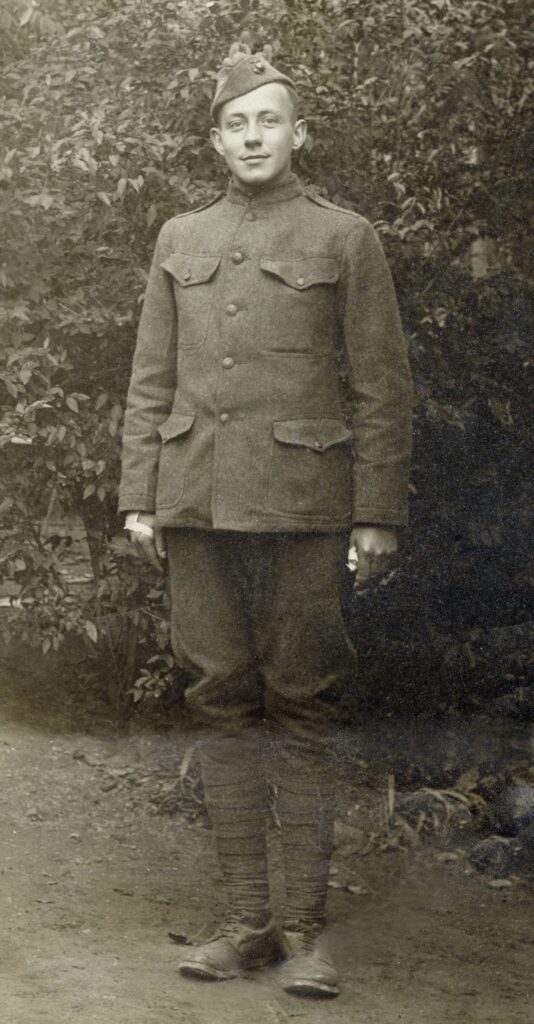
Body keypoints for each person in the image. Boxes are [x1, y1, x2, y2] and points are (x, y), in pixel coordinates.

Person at [118, 45, 413, 999]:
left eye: (269, 121)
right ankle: (245, 920)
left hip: (304, 505)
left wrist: (377, 512)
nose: (253, 138)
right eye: (237, 125)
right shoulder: (180, 236)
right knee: (217, 696)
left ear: (298, 134)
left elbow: (381, 386)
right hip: (196, 502)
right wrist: (139, 496)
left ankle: (305, 931)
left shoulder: (345, 238)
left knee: (304, 700)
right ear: (216, 141)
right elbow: (151, 379)